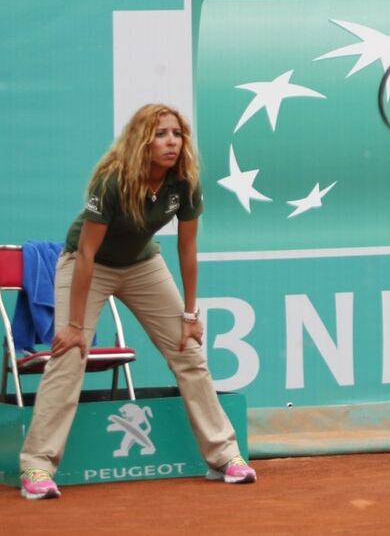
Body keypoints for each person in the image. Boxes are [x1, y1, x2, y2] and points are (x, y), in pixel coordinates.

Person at [18, 103, 257, 500]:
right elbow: (88, 255)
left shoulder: (185, 183)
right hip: (87, 265)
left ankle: (224, 457)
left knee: (189, 350)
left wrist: (190, 314)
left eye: (177, 134)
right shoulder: (112, 181)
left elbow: (188, 248)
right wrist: (75, 327)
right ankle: (37, 467)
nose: (171, 142)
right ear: (142, 141)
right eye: (161, 134)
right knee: (69, 355)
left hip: (142, 265)